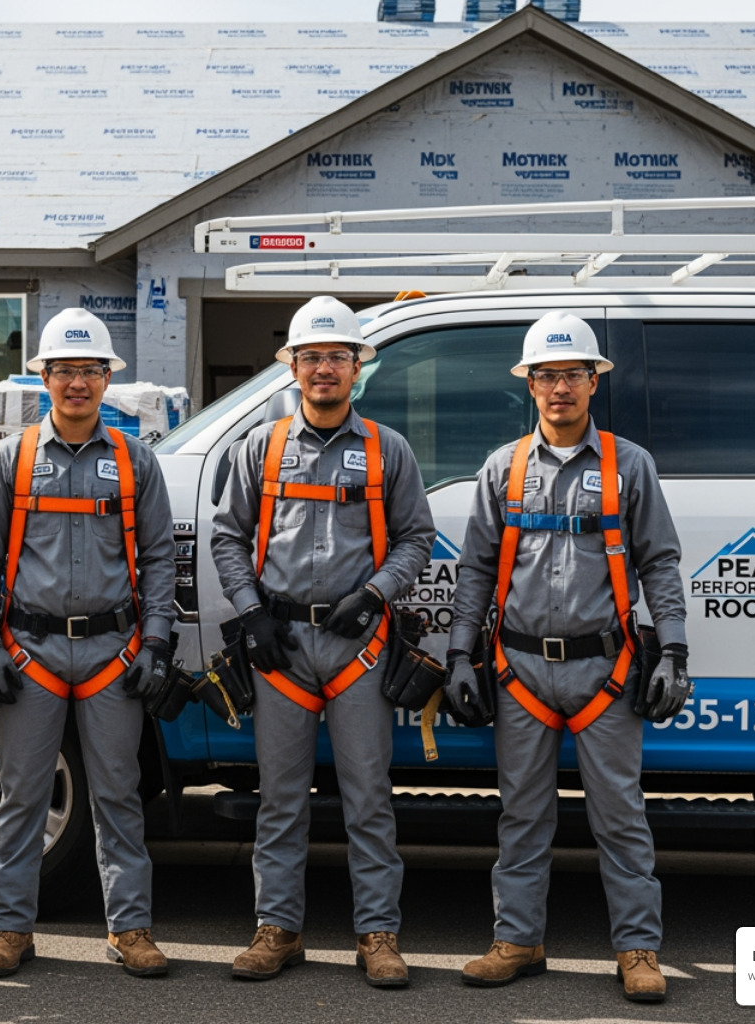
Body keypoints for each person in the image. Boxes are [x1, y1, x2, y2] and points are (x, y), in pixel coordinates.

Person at [444, 311, 692, 1003]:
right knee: (522, 814)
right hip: (519, 672)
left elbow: (661, 563)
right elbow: (474, 570)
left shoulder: (629, 465)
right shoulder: (504, 468)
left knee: (620, 814)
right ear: (529, 386)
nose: (560, 388)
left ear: (592, 383)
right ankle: (517, 940)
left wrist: (672, 648)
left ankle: (638, 950)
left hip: (604, 673)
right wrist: (461, 654)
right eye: (547, 375)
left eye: (573, 375)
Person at [212, 295, 436, 988]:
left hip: (357, 649)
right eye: (311, 357)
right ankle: (277, 930)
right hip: (279, 648)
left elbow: (417, 539)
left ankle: (378, 935)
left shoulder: (386, 449)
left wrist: (373, 594)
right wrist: (252, 616)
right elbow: (226, 535)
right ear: (293, 368)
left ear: (357, 367)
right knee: (281, 799)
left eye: (337, 357)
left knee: (368, 796)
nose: (324, 369)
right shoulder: (262, 446)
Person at [0, 309, 177, 980]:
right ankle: (9, 931)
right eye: (64, 370)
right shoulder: (13, 459)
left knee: (118, 792)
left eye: (90, 370)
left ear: (107, 377)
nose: (77, 383)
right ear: (43, 378)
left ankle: (130, 928)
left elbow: (162, 561)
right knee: (23, 794)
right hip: (32, 652)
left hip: (113, 651)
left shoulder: (135, 461)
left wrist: (159, 643)